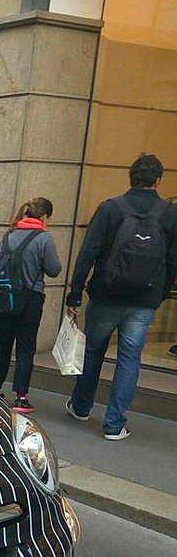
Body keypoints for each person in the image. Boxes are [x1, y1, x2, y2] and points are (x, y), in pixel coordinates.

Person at [65, 152, 177, 440]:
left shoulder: (110, 208)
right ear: (158, 180)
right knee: (129, 358)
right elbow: (173, 260)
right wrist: (160, 294)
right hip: (144, 299)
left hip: (106, 294)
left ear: (131, 177)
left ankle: (81, 406)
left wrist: (75, 293)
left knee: (93, 351)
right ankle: (114, 424)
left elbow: (88, 252)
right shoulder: (170, 214)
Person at [0, 197, 62, 413]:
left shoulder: (8, 236)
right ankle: (20, 397)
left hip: (5, 297)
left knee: (2, 345)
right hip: (30, 299)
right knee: (25, 348)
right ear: (44, 217)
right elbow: (54, 269)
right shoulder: (44, 238)